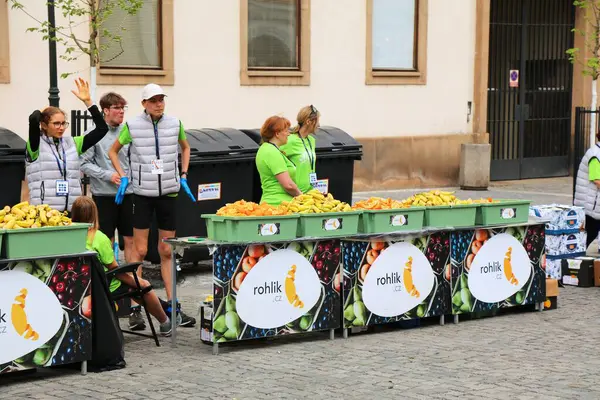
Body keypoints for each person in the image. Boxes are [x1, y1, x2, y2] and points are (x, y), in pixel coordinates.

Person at [108, 83, 196, 327]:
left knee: (167, 250)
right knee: (140, 251)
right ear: (144, 104)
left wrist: (184, 174)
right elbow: (113, 151)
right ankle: (137, 308)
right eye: (154, 100)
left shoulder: (175, 123)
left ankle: (173, 305)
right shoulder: (132, 125)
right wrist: (123, 175)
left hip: (168, 192)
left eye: (161, 99)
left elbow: (185, 147)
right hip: (142, 195)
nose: (159, 103)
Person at [80, 92, 144, 331]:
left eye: (123, 108)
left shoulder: (129, 131)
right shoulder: (95, 134)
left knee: (133, 244)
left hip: (130, 195)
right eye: (116, 108)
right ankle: (109, 299)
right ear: (105, 110)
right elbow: (84, 163)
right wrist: (109, 175)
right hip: (104, 196)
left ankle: (136, 303)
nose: (121, 112)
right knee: (105, 243)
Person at [71, 196, 179, 336]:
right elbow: (114, 268)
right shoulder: (99, 238)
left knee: (138, 287)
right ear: (94, 214)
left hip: (79, 286)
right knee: (143, 286)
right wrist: (137, 281)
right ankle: (165, 322)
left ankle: (163, 310)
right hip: (104, 285)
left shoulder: (68, 237)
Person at [26, 78, 109, 212]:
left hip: (72, 209)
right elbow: (33, 119)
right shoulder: (35, 145)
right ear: (44, 125)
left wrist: (88, 102)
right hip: (46, 211)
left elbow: (102, 129)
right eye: (56, 123)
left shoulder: (73, 143)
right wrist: (42, 112)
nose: (61, 127)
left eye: (63, 123)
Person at [255, 115, 302, 205]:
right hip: (278, 206)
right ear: (277, 133)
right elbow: (288, 185)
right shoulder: (271, 152)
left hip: (274, 204)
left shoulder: (266, 149)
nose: (289, 133)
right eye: (286, 130)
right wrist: (302, 197)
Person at [280, 105, 321, 193]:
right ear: (308, 121)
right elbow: (275, 163)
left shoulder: (311, 140)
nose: (319, 125)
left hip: (310, 192)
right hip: (295, 194)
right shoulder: (289, 140)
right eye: (317, 121)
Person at [574, 133, 600, 250]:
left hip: (594, 204)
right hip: (590, 205)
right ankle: (576, 257)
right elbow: (597, 179)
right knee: (590, 233)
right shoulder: (595, 154)